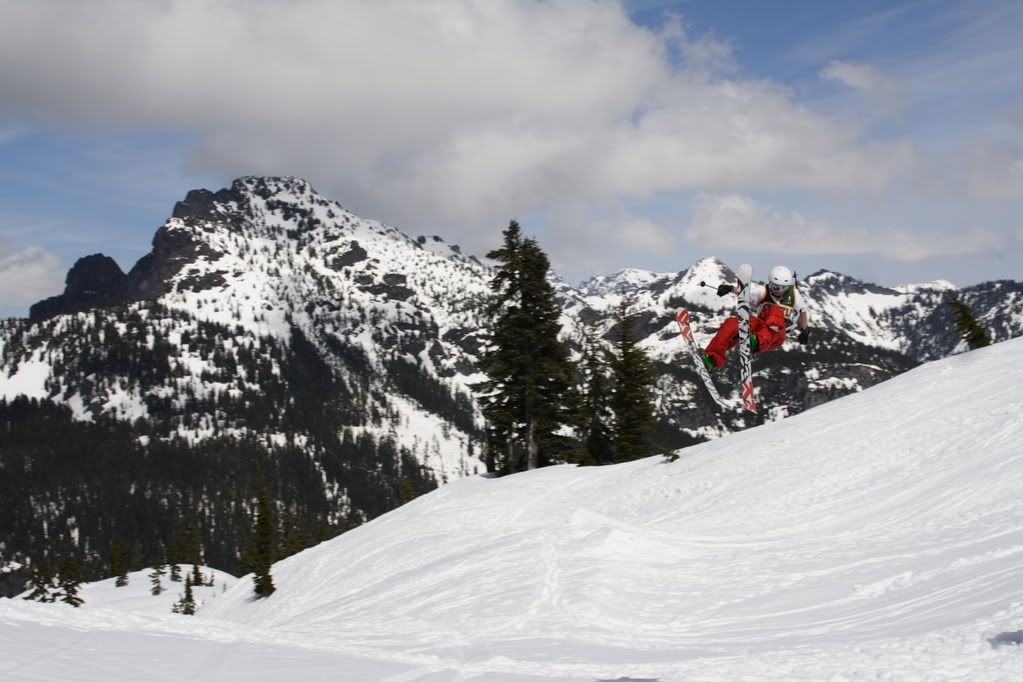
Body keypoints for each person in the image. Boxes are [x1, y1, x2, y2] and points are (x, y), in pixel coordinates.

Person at [702, 265, 810, 371]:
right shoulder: (763, 291)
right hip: (760, 327)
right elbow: (744, 294)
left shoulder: (795, 296)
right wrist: (729, 289)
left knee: (776, 311)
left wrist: (804, 331)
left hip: (777, 335)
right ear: (770, 283)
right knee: (732, 324)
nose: (778, 291)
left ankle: (756, 342)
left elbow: (803, 311)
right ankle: (712, 359)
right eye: (774, 287)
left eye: (783, 288)